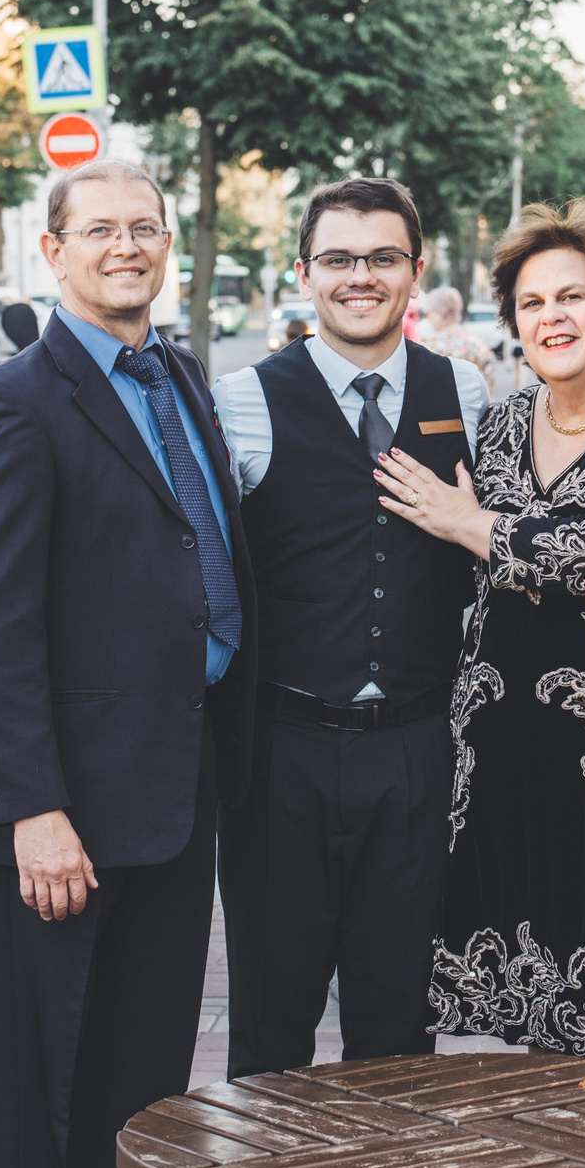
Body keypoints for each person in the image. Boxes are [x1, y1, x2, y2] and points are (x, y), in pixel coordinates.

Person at [0, 159, 257, 1168]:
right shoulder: (15, 404)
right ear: (54, 251)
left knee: (139, 1084)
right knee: (46, 1100)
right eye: (101, 231)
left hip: (173, 789)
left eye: (145, 229)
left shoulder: (177, 375)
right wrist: (32, 808)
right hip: (67, 816)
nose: (126, 247)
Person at [377, 196, 585, 1065]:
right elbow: (455, 568)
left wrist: (472, 524)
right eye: (531, 304)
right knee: (513, 1017)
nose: (551, 317)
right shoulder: (500, 427)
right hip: (494, 759)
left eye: (572, 296)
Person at [210, 179, 488, 1079]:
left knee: (400, 1015)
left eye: (381, 257)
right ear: (304, 272)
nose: (359, 277)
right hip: (280, 750)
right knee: (271, 1017)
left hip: (415, 746)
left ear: (415, 270)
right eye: (337, 258)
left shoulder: (467, 393)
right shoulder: (241, 399)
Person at [417, 283, 504, 400]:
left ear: (441, 311)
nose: (427, 316)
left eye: (430, 311)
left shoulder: (432, 346)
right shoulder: (476, 342)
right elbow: (490, 382)